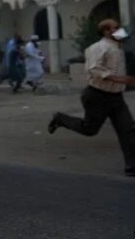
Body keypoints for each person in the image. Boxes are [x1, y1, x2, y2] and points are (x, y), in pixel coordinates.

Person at [49, 19, 135, 176]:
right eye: (116, 28)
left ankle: (132, 166)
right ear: (106, 31)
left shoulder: (118, 47)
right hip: (97, 96)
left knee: (128, 130)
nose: (120, 30)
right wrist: (121, 79)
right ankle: (60, 119)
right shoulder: (98, 47)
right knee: (89, 129)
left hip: (116, 97)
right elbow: (93, 69)